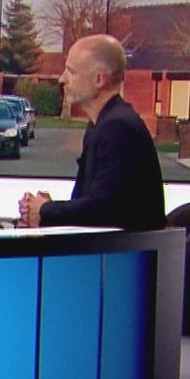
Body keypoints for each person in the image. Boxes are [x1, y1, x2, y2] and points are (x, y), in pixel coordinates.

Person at [18, 34, 164, 231]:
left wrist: (45, 211)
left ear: (99, 79)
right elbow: (93, 204)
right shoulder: (102, 123)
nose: (62, 79)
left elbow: (103, 211)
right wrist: (47, 209)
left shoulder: (118, 128)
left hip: (125, 249)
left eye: (71, 72)